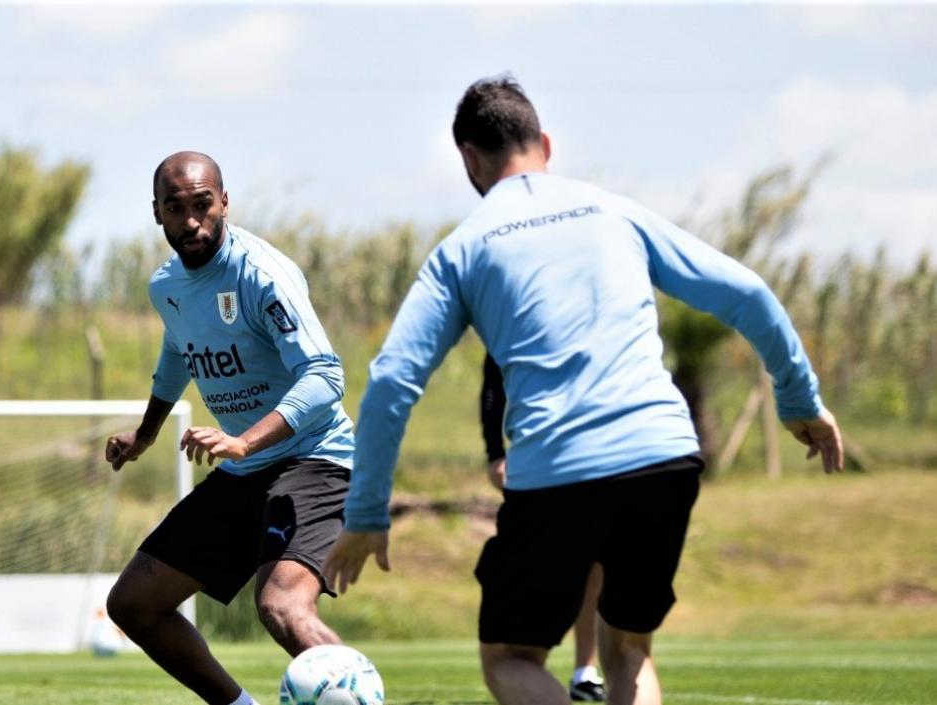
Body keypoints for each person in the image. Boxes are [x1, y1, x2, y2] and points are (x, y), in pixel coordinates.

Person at [324, 75, 843, 705]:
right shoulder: (615, 212)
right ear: (544, 142)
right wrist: (799, 400)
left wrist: (367, 512)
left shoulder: (461, 249)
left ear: (469, 158)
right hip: (663, 455)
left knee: (512, 659)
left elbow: (391, 381)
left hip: (556, 475)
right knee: (628, 650)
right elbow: (748, 294)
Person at [104, 151, 355, 705]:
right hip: (246, 469)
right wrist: (146, 435)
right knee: (133, 604)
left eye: (202, 205)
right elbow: (177, 353)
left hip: (315, 458)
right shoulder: (167, 286)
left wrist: (243, 440)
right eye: (177, 209)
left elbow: (325, 375)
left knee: (283, 608)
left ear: (224, 202)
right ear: (157, 213)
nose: (192, 221)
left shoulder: (261, 274)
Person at [481, 353, 606, 702]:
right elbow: (492, 380)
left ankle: (585, 669)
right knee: (632, 652)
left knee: (597, 565)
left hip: (604, 452)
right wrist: (494, 451)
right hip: (538, 465)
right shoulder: (509, 308)